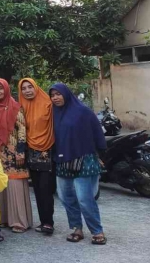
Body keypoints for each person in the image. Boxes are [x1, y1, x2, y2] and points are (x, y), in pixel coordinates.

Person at [49, 83, 107, 245]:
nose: (55, 97)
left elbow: (97, 132)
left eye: (58, 94)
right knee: (66, 197)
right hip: (62, 160)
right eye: (52, 95)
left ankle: (97, 231)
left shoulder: (83, 111)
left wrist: (101, 154)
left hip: (83, 159)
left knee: (84, 197)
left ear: (66, 94)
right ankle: (76, 229)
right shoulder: (52, 113)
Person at [0, 78, 32, 233]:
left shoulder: (15, 106)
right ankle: (3, 219)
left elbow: (22, 129)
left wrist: (20, 151)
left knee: (15, 186)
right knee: (0, 184)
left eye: (1, 88)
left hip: (14, 153)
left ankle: (19, 221)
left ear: (6, 90)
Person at [19, 77, 56, 235]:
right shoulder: (21, 106)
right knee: (37, 189)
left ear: (36, 87)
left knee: (46, 188)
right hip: (30, 151)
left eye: (30, 87)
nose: (27, 91)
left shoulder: (49, 103)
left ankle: (48, 222)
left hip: (48, 149)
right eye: (24, 88)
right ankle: (43, 221)